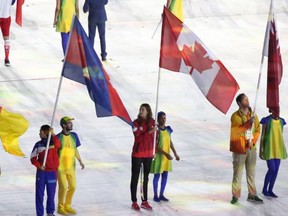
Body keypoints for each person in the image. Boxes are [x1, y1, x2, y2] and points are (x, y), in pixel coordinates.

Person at [229, 93, 263, 204]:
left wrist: (253, 142)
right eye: (244, 100)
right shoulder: (235, 116)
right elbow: (237, 131)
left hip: (251, 148)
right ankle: (235, 196)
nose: (247, 102)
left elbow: (257, 130)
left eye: (247, 99)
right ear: (239, 103)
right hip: (240, 149)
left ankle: (252, 195)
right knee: (238, 173)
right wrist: (249, 123)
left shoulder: (253, 115)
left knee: (251, 173)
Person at [130, 103, 157, 211]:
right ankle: (134, 201)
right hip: (138, 154)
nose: (141, 112)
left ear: (148, 111)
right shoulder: (135, 124)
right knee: (135, 178)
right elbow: (139, 139)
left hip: (149, 154)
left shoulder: (153, 122)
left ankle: (144, 201)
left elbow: (156, 137)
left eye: (143, 110)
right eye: (140, 109)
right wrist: (149, 132)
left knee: (145, 178)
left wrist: (154, 150)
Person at [30, 125, 61, 216]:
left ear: (45, 132)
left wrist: (53, 134)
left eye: (41, 131)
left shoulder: (53, 142)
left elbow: (59, 145)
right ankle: (40, 214)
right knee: (39, 194)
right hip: (41, 173)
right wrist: (39, 166)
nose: (39, 133)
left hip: (52, 172)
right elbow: (32, 158)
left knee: (51, 194)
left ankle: (50, 212)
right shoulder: (38, 144)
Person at [57, 116, 85, 215]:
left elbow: (75, 149)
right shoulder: (58, 138)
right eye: (69, 123)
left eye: (71, 122)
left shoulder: (74, 136)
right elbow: (55, 152)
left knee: (73, 187)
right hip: (60, 168)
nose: (71, 124)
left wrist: (80, 160)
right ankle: (60, 207)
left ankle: (67, 205)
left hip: (71, 167)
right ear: (63, 125)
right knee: (63, 188)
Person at [150, 111, 180, 202]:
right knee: (157, 175)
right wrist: (166, 154)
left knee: (165, 175)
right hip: (160, 157)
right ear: (158, 119)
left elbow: (170, 142)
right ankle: (155, 195)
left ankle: (161, 194)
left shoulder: (168, 130)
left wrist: (175, 153)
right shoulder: (156, 131)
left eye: (165, 118)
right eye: (162, 118)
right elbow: (156, 146)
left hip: (167, 157)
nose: (164, 119)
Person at [259, 108, 287, 198]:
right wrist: (261, 150)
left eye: (278, 109)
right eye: (275, 109)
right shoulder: (266, 120)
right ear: (271, 110)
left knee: (276, 171)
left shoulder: (282, 121)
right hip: (269, 148)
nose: (277, 111)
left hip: (278, 148)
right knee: (272, 169)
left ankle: (270, 190)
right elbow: (262, 135)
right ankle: (264, 189)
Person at [0, 0, 16, 66]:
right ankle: (7, 59)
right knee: (6, 39)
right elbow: (12, 2)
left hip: (6, 18)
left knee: (6, 39)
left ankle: (7, 58)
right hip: (6, 16)